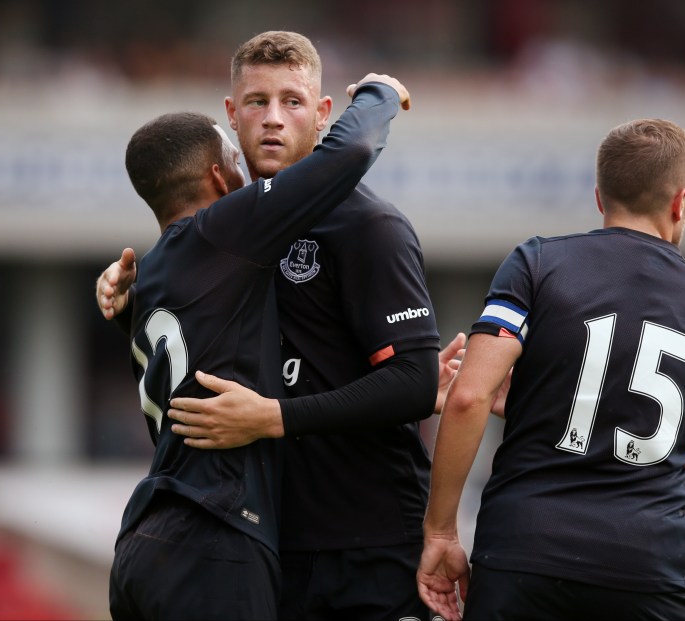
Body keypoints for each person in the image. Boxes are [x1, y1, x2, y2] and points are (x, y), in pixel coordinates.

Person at [98, 31, 446, 621]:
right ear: (230, 117)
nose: (274, 120)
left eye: (293, 101)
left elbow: (413, 383)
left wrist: (275, 417)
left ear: (324, 114)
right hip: (262, 542)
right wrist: (124, 306)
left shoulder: (371, 227)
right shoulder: (220, 239)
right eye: (257, 102)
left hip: (363, 546)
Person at [417, 118, 685, 621]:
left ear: (600, 197)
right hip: (647, 566)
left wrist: (440, 531)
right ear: (681, 202)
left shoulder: (537, 263)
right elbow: (683, 455)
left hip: (524, 552)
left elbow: (467, 397)